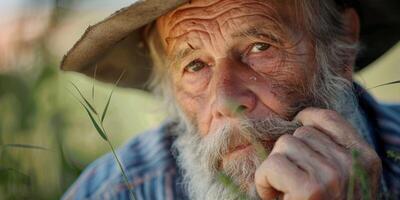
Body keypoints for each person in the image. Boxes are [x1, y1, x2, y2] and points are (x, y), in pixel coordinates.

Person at [60, 0, 400, 199]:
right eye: (194, 65)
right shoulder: (117, 191)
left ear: (343, 44)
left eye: (260, 47)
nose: (225, 100)